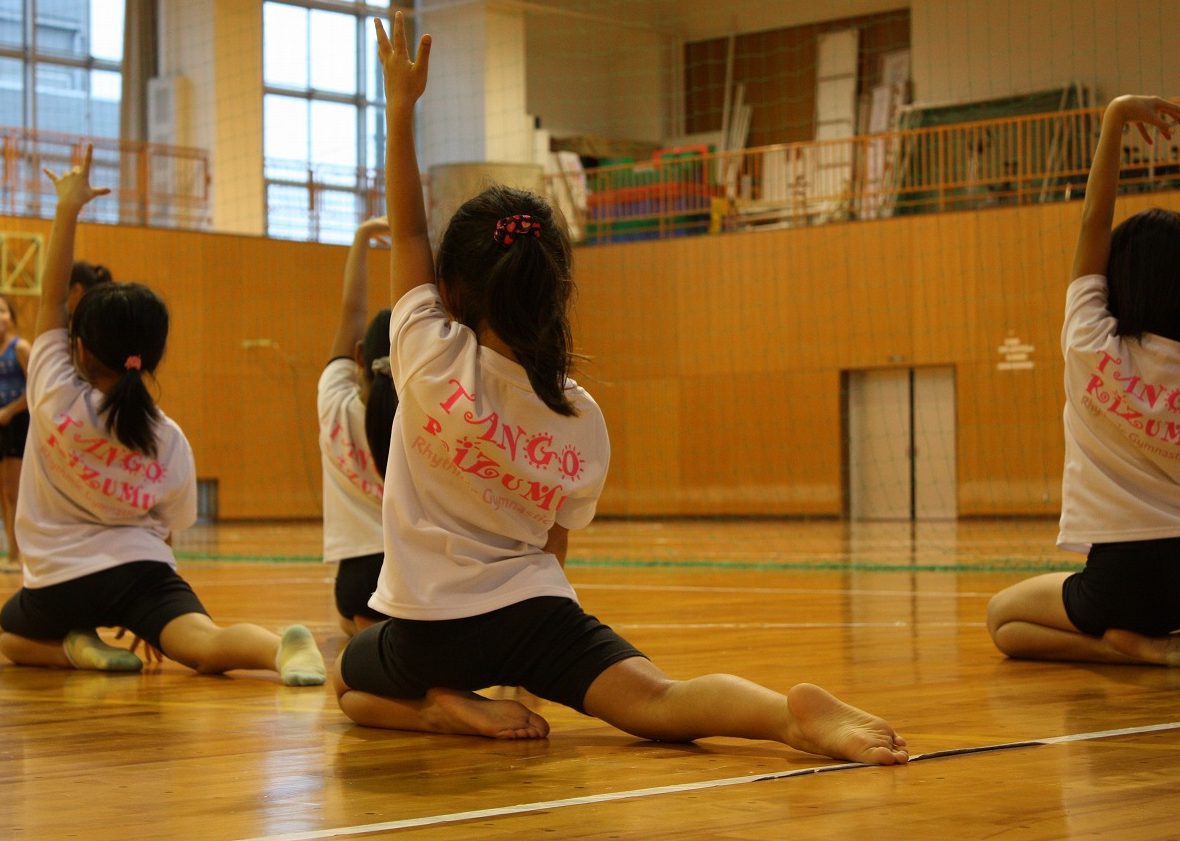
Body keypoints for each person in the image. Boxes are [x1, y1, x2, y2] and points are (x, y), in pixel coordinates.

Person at [331, 13, 908, 766]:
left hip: (427, 628)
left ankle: (446, 711)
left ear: (452, 290)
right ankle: (782, 718)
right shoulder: (580, 413)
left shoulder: (427, 355)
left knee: (347, 680)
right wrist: (532, 642)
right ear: (555, 292)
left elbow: (408, 233)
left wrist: (401, 109)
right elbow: (555, 541)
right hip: (537, 612)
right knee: (660, 701)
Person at [0, 146, 327, 685]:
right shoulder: (168, 436)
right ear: (152, 356)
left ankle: (76, 649)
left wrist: (67, 209)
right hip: (144, 573)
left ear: (79, 350)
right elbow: (168, 532)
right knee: (204, 643)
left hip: (60, 582)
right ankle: (280, 650)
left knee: (11, 633)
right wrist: (155, 610)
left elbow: (51, 299)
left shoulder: (54, 393)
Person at [987, 95, 1180, 666]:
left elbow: (1093, 219)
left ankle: (1136, 651)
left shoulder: (1087, 344)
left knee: (1003, 620)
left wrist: (1115, 116)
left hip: (1119, 581)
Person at [319, 216, 395, 636]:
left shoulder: (333, 402)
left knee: (353, 626)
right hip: (413, 574)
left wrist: (363, 236)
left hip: (355, 585)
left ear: (361, 356)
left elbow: (352, 315)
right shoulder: (422, 421)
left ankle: (366, 629)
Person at [0, 295, 30, 574]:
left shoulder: (20, 348)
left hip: (18, 423)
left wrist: (10, 410)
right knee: (3, 492)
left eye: (2, 311)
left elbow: (36, 388)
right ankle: (10, 551)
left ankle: (18, 555)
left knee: (15, 491)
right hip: (1, 424)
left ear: (11, 316)